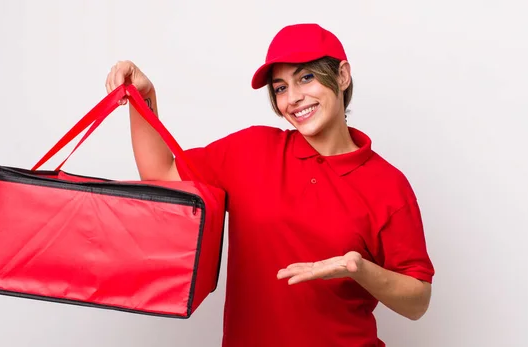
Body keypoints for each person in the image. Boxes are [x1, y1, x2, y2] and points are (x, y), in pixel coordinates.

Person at [105, 23, 434, 347]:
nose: (293, 98)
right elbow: (161, 173)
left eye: (306, 77)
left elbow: (417, 302)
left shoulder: (388, 185)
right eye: (280, 88)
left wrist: (361, 270)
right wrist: (143, 97)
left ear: (343, 75)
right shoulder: (252, 151)